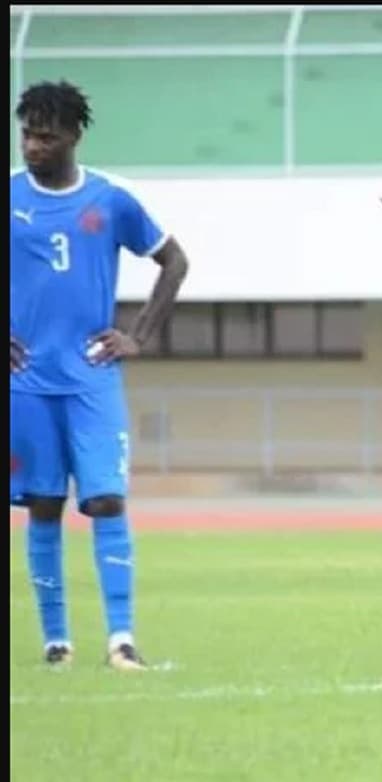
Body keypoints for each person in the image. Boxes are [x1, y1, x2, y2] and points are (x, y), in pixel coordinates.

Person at [10, 81, 189, 670]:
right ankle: (56, 642)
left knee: (107, 501)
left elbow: (174, 260)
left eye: (45, 135)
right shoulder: (9, 196)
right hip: (26, 382)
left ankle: (121, 640)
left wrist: (138, 336)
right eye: (27, 132)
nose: (33, 145)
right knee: (41, 504)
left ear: (73, 136)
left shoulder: (110, 201)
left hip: (92, 378)